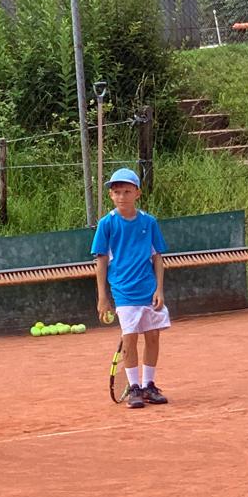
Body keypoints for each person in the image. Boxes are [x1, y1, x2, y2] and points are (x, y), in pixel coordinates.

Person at [92, 168, 169, 408]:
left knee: (153, 337)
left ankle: (148, 386)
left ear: (137, 193)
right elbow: (101, 261)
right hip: (123, 291)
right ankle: (134, 387)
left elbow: (157, 257)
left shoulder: (149, 222)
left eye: (127, 191)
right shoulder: (106, 224)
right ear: (111, 196)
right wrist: (102, 297)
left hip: (148, 289)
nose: (122, 196)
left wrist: (159, 289)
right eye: (117, 192)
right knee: (130, 340)